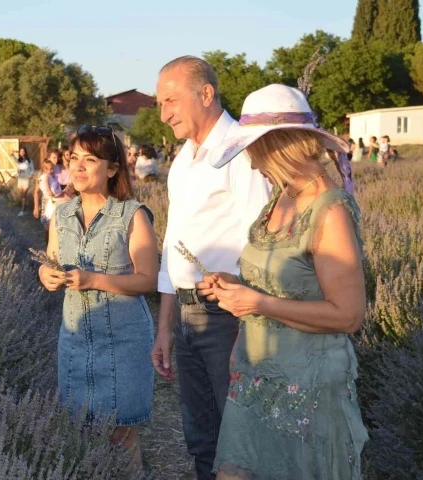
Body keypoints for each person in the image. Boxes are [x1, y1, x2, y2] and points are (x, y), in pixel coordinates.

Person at [196, 84, 368, 479]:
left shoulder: (330, 211)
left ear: (278, 145)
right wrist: (234, 284)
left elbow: (348, 316)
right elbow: (283, 282)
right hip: (255, 372)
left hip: (306, 384)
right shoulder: (280, 198)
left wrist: (256, 303)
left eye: (254, 150)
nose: (253, 164)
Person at [151, 56, 271, 479]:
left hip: (227, 317)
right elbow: (172, 248)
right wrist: (165, 326)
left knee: (239, 439)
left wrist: (248, 320)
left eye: (170, 101)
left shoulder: (242, 151)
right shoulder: (183, 159)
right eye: (159, 103)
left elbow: (261, 246)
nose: (163, 114)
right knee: (201, 437)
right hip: (188, 314)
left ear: (206, 94)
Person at [38, 125, 158, 470]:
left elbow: (147, 279)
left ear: (113, 169)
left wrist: (94, 279)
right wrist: (47, 275)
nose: (77, 167)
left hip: (123, 338)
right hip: (76, 338)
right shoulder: (61, 214)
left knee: (122, 434)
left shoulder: (132, 215)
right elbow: (51, 259)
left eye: (89, 160)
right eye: (73, 158)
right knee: (80, 429)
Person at [16, 147, 34, 216]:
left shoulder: (29, 161)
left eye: (23, 151)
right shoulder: (19, 160)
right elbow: (17, 168)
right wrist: (18, 171)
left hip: (26, 178)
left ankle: (22, 210)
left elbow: (32, 169)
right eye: (21, 151)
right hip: (20, 178)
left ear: (25, 152)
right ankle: (25, 208)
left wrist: (31, 174)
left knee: (24, 194)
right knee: (21, 194)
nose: (22, 152)